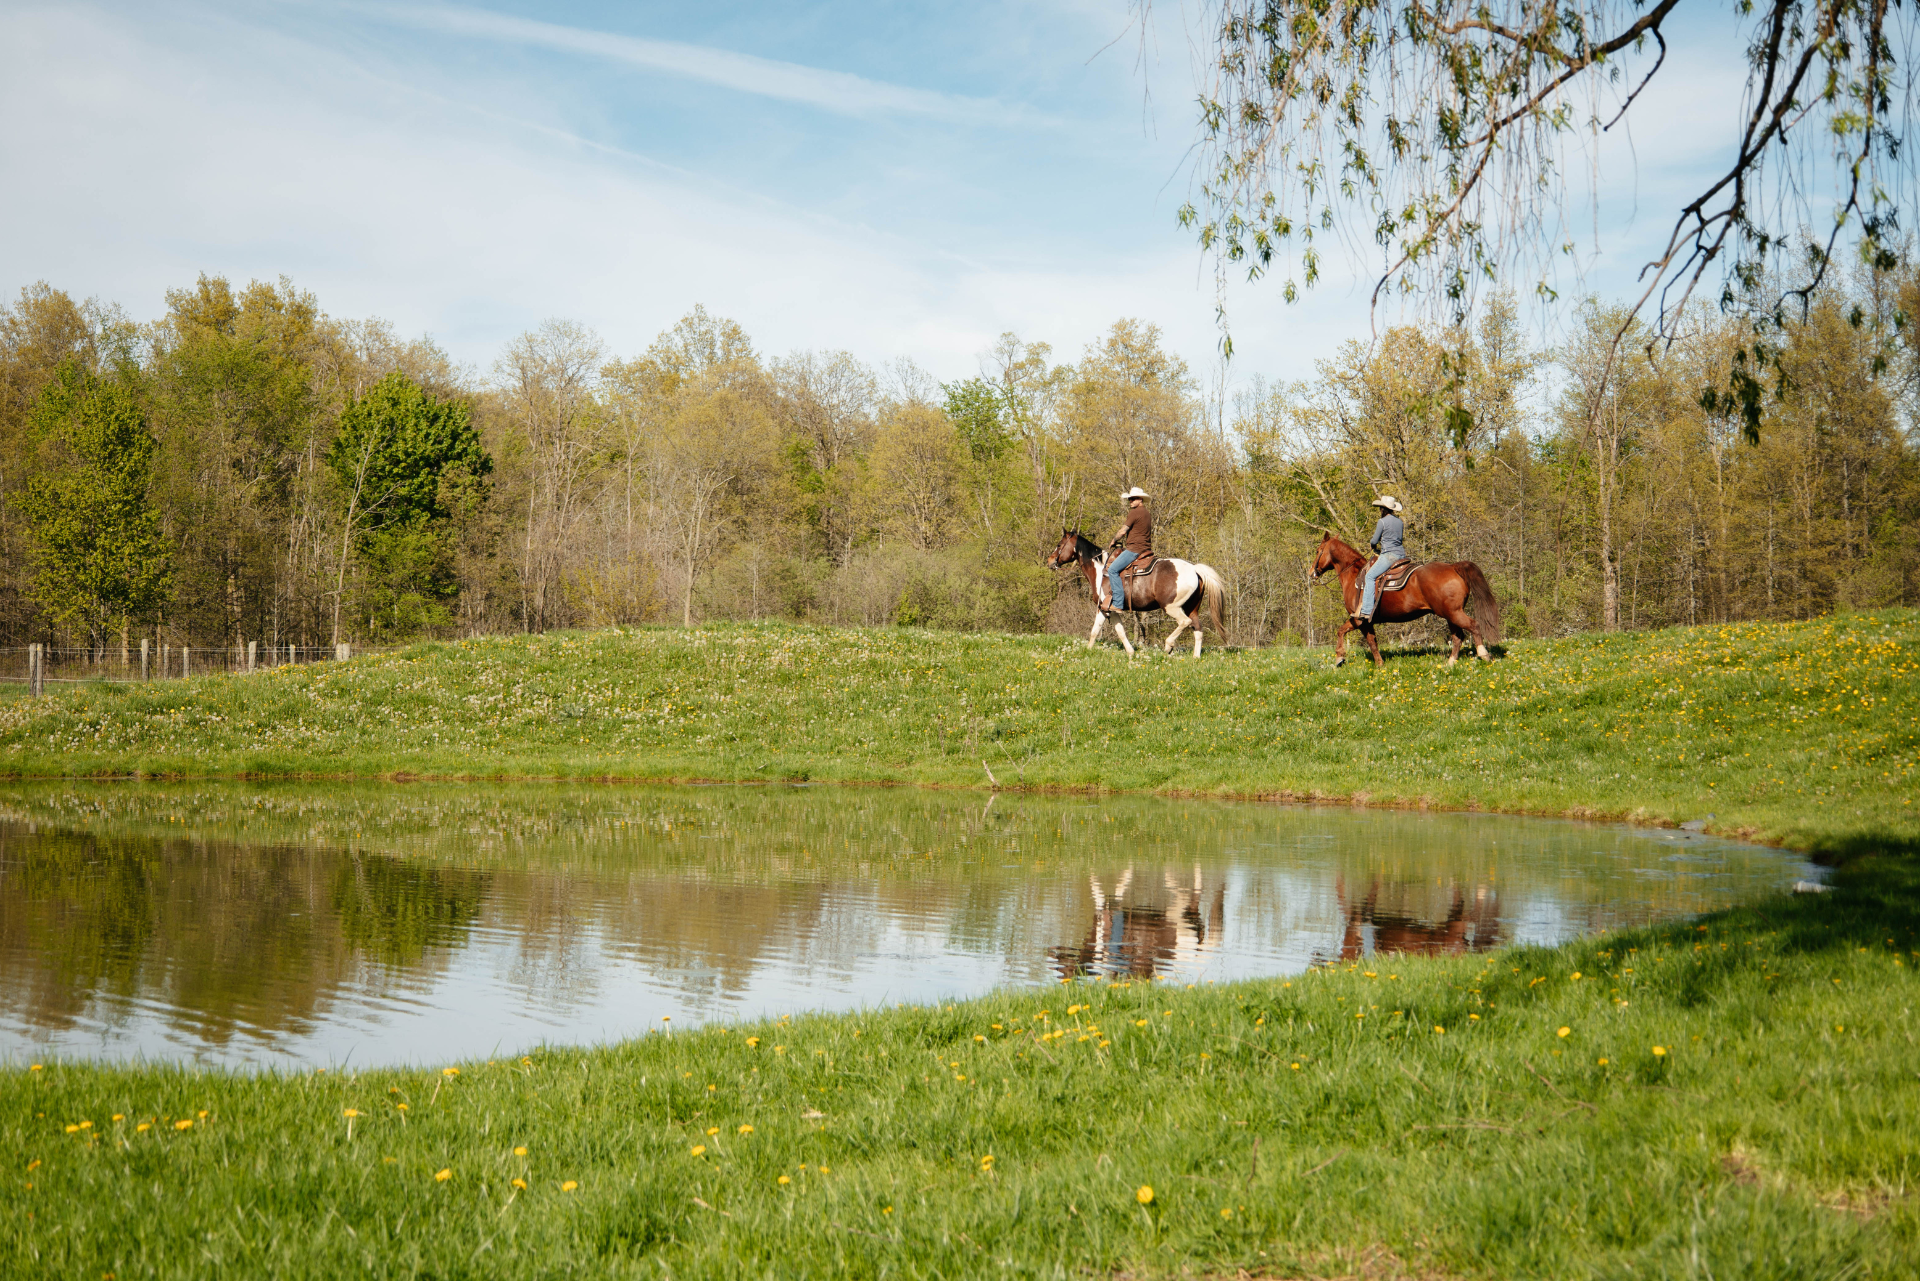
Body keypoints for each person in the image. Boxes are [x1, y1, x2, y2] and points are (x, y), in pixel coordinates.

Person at [1355, 495, 1406, 623]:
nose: (1380, 510)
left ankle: (1366, 610)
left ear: (1384, 509)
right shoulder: (1400, 522)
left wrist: (1373, 546)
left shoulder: (1382, 522)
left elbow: (1374, 540)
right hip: (1402, 555)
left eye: (1380, 508)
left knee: (1370, 576)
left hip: (1389, 555)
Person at [1105, 487, 1153, 612]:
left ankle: (1118, 603)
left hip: (1134, 549)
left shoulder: (1134, 512)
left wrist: (1114, 540)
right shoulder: (1146, 513)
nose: (1130, 501)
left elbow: (1123, 531)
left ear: (1140, 499)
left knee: (1113, 570)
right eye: (1129, 499)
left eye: (1133, 499)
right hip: (1146, 548)